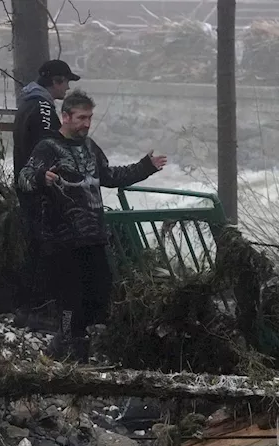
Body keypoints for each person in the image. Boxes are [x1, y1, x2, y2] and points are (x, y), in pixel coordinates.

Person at [17, 89, 168, 361]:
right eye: (81, 118)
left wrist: (146, 167)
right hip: (63, 238)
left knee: (99, 292)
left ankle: (84, 342)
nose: (86, 124)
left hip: (94, 236)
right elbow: (23, 179)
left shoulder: (90, 147)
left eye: (90, 118)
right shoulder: (47, 147)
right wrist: (42, 177)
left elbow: (110, 175)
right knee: (68, 298)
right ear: (65, 116)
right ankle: (64, 344)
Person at [10, 60, 81, 328]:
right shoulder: (42, 107)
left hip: (28, 185)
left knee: (35, 246)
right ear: (57, 81)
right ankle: (36, 311)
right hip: (40, 189)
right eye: (67, 82)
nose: (68, 87)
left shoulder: (27, 102)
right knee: (43, 249)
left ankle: (26, 309)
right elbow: (46, 147)